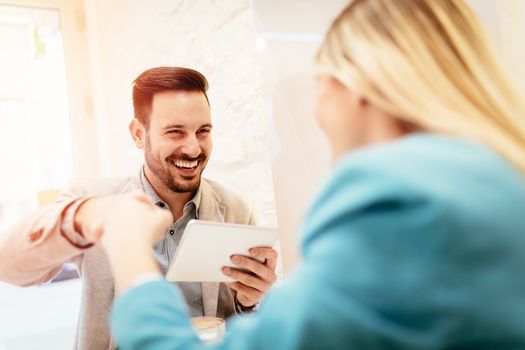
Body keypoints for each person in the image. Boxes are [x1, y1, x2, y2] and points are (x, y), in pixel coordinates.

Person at [101, 0, 525, 349]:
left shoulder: (393, 201)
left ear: (356, 88)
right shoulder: (497, 181)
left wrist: (129, 250)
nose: (315, 108)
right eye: (175, 131)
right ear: (138, 134)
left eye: (321, 79)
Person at [0, 67, 278, 350]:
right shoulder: (94, 199)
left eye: (203, 131)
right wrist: (84, 218)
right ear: (137, 134)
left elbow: (247, 327)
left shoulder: (237, 211)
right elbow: (7, 265)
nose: (193, 149)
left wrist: (249, 303)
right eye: (175, 132)